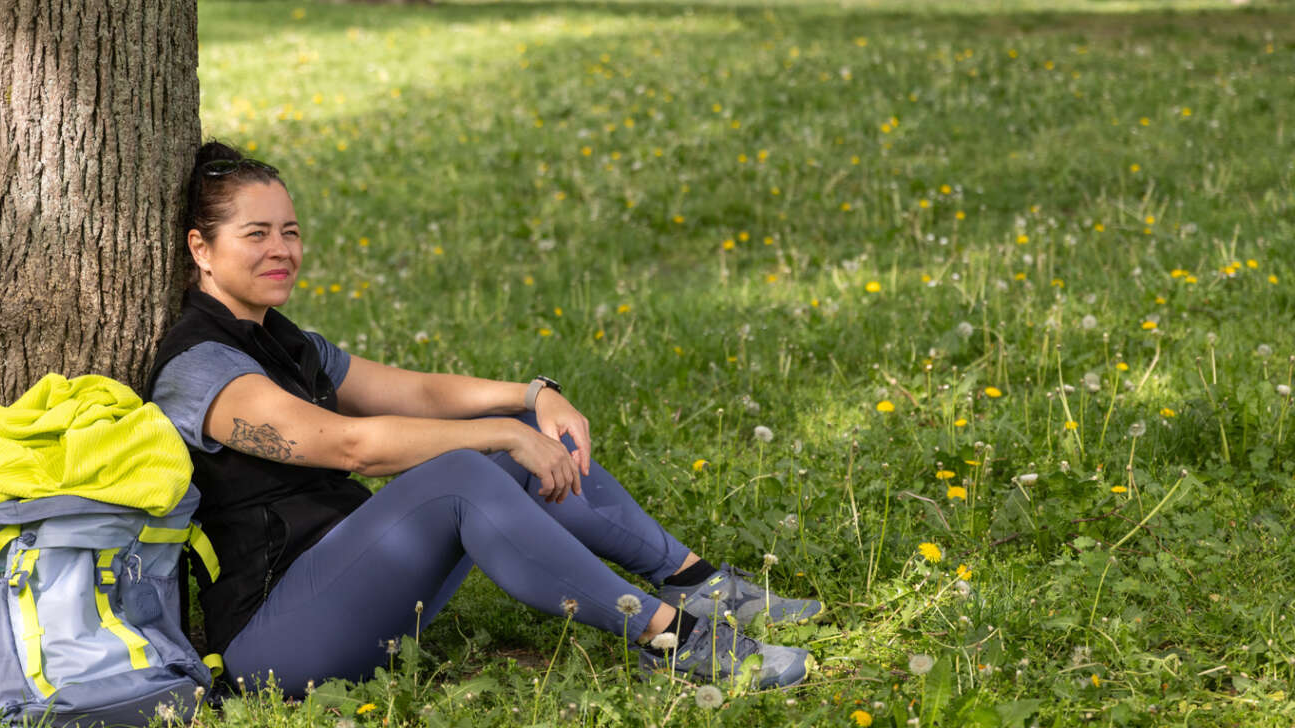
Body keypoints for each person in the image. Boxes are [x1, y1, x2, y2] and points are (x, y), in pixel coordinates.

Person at [147, 142, 821, 698]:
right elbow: (352, 444)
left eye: (290, 232)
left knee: (502, 462)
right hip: (278, 644)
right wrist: (501, 431)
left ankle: (700, 583)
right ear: (201, 249)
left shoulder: (285, 340)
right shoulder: (201, 367)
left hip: (356, 591)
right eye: (256, 234)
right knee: (467, 473)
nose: (281, 250)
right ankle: (676, 641)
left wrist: (532, 396)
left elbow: (417, 393)